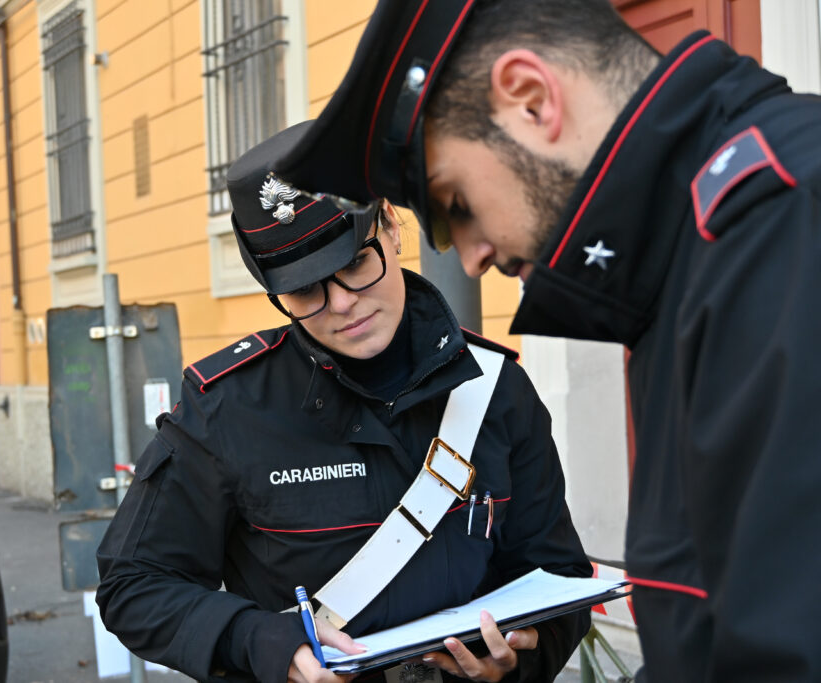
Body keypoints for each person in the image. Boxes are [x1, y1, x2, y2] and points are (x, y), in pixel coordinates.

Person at [272, 1, 821, 682]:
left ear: (530, 98)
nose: (469, 258)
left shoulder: (779, 222)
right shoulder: (696, 255)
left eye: (456, 205)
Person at [96, 121, 591, 683]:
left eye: (356, 263)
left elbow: (558, 576)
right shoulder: (225, 407)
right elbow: (133, 585)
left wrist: (521, 660)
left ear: (392, 226)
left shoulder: (495, 387)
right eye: (306, 290)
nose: (342, 305)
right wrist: (260, 641)